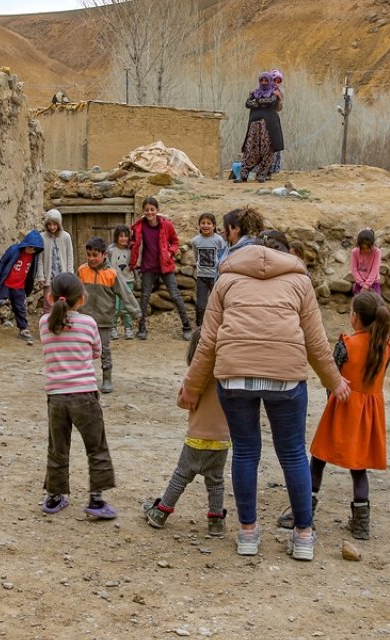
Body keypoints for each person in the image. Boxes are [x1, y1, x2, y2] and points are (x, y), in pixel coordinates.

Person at [178, 208, 349, 562]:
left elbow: (207, 340)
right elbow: (316, 341)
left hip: (234, 376)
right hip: (285, 378)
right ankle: (303, 536)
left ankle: (248, 534)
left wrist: (192, 387)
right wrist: (334, 381)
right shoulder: (299, 281)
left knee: (244, 452)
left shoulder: (226, 280)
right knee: (292, 454)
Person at [302, 291, 390, 541]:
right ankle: (361, 523)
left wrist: (333, 394)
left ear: (355, 318)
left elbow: (332, 376)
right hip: (370, 413)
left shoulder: (347, 344)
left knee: (318, 458)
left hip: (342, 407)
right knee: (358, 466)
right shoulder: (386, 347)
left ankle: (304, 512)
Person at [39, 273, 118, 519]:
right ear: (81, 299)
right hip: (85, 395)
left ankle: (54, 496)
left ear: (50, 298)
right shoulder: (89, 323)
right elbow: (97, 351)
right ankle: (96, 500)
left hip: (57, 397)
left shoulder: (44, 323)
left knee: (58, 447)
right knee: (96, 447)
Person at [143, 329, 230, 536]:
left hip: (196, 438)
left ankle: (161, 513)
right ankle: (215, 522)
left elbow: (183, 402)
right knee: (216, 481)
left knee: (181, 475)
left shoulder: (195, 376)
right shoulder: (227, 375)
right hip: (222, 439)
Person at [77, 237, 140, 394]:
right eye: (89, 255)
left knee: (104, 349)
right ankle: (84, 377)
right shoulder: (82, 271)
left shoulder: (112, 273)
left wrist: (135, 311)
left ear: (104, 254)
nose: (91, 258)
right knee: (83, 349)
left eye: (95, 255)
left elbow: (125, 293)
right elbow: (73, 292)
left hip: (104, 319)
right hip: (84, 318)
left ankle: (107, 377)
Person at [130, 197, 192, 341]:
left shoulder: (166, 225)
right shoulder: (139, 226)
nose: (149, 212)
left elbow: (175, 241)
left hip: (165, 265)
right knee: (145, 297)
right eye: (147, 210)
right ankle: (142, 327)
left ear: (157, 210)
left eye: (152, 209)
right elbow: (134, 242)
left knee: (175, 295)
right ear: (143, 211)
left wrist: (170, 252)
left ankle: (186, 326)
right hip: (148, 266)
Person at [0, 229, 44, 344]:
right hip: (6, 284)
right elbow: (3, 262)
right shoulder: (14, 250)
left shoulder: (34, 257)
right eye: (30, 247)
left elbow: (32, 271)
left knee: (20, 308)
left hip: (19, 286)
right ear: (26, 244)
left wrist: (29, 285)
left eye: (35, 249)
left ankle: (23, 329)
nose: (31, 250)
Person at [235, 72, 283, 183]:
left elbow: (271, 102)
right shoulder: (255, 93)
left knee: (267, 149)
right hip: (254, 126)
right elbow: (248, 103)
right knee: (250, 149)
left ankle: (263, 174)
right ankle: (243, 174)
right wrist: (260, 102)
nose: (264, 82)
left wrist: (257, 102)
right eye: (262, 80)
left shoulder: (275, 93)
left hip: (269, 126)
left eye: (266, 80)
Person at [190, 213, 227, 327]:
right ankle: (199, 327)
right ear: (199, 225)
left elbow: (222, 256)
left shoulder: (219, 240)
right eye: (203, 223)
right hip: (202, 276)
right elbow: (196, 256)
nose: (205, 225)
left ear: (214, 225)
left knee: (217, 303)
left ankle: (218, 325)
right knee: (201, 305)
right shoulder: (196, 241)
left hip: (215, 276)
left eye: (209, 223)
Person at [38, 209, 74, 309]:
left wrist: (70, 274)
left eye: (55, 224)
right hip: (49, 276)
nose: (52, 227)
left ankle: (62, 322)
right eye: (49, 224)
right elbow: (40, 259)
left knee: (63, 301)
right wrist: (41, 276)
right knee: (48, 303)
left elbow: (69, 256)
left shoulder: (66, 237)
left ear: (59, 224)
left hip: (62, 275)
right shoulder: (42, 237)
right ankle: (48, 323)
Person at [108, 224, 136, 340]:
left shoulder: (131, 250)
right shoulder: (111, 250)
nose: (123, 239)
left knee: (126, 306)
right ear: (116, 237)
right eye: (121, 236)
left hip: (128, 281)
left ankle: (128, 328)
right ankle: (113, 327)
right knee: (114, 306)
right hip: (115, 282)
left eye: (126, 236)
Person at [350, 229, 381, 295]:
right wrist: (361, 283)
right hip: (359, 282)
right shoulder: (355, 252)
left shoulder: (376, 252)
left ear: (372, 245)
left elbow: (374, 270)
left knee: (375, 303)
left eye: (368, 248)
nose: (365, 250)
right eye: (363, 248)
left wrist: (366, 286)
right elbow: (354, 270)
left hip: (373, 282)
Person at [270, 69, 286, 173]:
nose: (276, 83)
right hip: (263, 119)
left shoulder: (279, 92)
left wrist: (280, 99)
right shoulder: (263, 90)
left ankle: (275, 167)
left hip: (274, 119)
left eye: (278, 81)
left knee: (276, 142)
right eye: (274, 80)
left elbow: (279, 109)